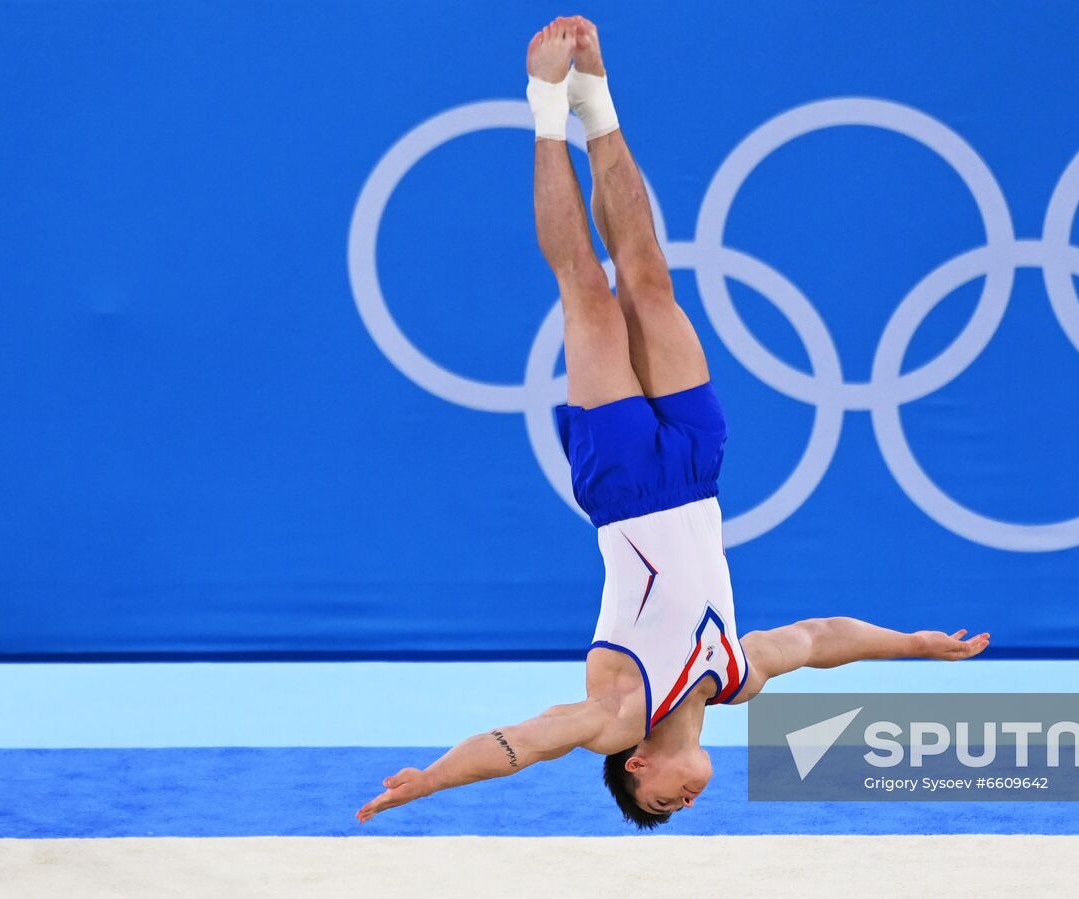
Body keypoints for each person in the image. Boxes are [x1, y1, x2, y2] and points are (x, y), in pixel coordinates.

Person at [356, 16, 990, 830]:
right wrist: (916, 645)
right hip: (696, 470)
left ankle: (549, 104)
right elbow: (821, 636)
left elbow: (525, 740)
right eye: (680, 807)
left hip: (623, 486)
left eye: (657, 799)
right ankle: (598, 98)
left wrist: (437, 778)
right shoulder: (735, 674)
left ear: (637, 764)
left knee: (586, 288)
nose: (680, 802)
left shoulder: (618, 714)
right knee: (650, 279)